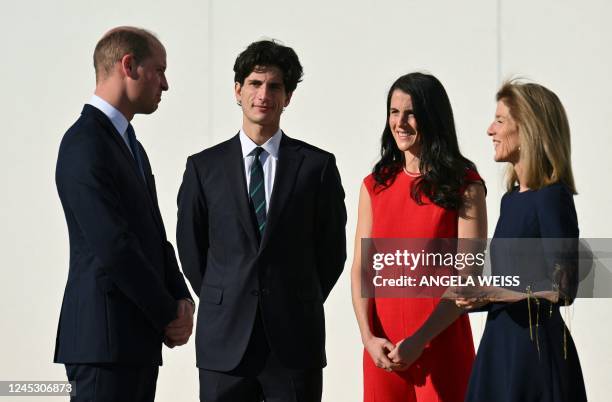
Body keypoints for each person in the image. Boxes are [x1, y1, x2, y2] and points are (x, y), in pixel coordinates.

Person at [176, 39, 346, 402]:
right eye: (254, 83)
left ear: (288, 97)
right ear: (237, 91)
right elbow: (191, 249)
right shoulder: (203, 168)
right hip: (224, 343)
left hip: (294, 341)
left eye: (274, 86)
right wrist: (226, 295)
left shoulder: (317, 167)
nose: (263, 94)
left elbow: (332, 252)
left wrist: (298, 298)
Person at [54, 27, 194, 402]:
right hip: (104, 342)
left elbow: (153, 233)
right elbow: (113, 246)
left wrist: (183, 298)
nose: (165, 85)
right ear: (128, 65)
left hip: (134, 342)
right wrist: (167, 312)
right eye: (159, 70)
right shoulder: (85, 143)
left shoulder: (131, 145)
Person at [350, 72, 487, 402]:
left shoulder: (465, 185)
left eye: (411, 113)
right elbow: (361, 270)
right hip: (383, 354)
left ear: (432, 117)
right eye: (394, 112)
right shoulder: (374, 185)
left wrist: (420, 339)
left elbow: (468, 276)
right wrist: (368, 338)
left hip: (441, 348)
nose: (400, 122)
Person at [462, 80, 587, 402]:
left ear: (528, 128)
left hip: (533, 358)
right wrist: (479, 298)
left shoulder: (551, 198)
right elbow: (516, 282)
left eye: (500, 120)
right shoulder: (511, 200)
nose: (490, 129)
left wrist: (492, 292)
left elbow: (563, 289)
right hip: (499, 347)